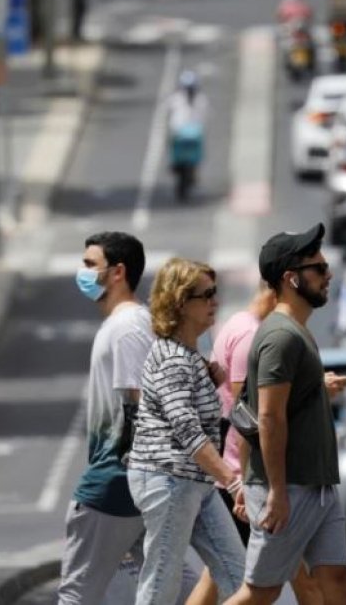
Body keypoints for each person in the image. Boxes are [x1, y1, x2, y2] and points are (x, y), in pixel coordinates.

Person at [226, 223, 346, 605]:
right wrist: (277, 493)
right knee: (260, 591)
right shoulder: (280, 336)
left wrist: (318, 387)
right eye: (318, 268)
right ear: (291, 278)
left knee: (336, 580)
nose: (328, 274)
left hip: (316, 485)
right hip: (289, 487)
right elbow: (267, 417)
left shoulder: (297, 332)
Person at [59, 231, 189, 605]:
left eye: (89, 265)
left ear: (117, 272)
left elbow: (141, 403)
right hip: (135, 482)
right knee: (178, 587)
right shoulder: (125, 324)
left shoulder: (127, 327)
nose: (82, 273)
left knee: (76, 593)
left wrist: (137, 472)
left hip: (116, 480)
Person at [187, 283, 328, 605]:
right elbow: (248, 412)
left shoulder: (238, 324)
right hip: (253, 475)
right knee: (303, 582)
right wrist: (249, 481)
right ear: (274, 290)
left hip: (246, 474)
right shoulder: (253, 336)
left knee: (224, 578)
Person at [128, 258, 246, 605]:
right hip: (168, 480)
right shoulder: (173, 359)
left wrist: (209, 379)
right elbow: (188, 432)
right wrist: (233, 480)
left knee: (237, 578)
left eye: (215, 292)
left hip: (195, 483)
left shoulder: (189, 356)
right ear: (181, 303)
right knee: (162, 579)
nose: (215, 302)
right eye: (206, 295)